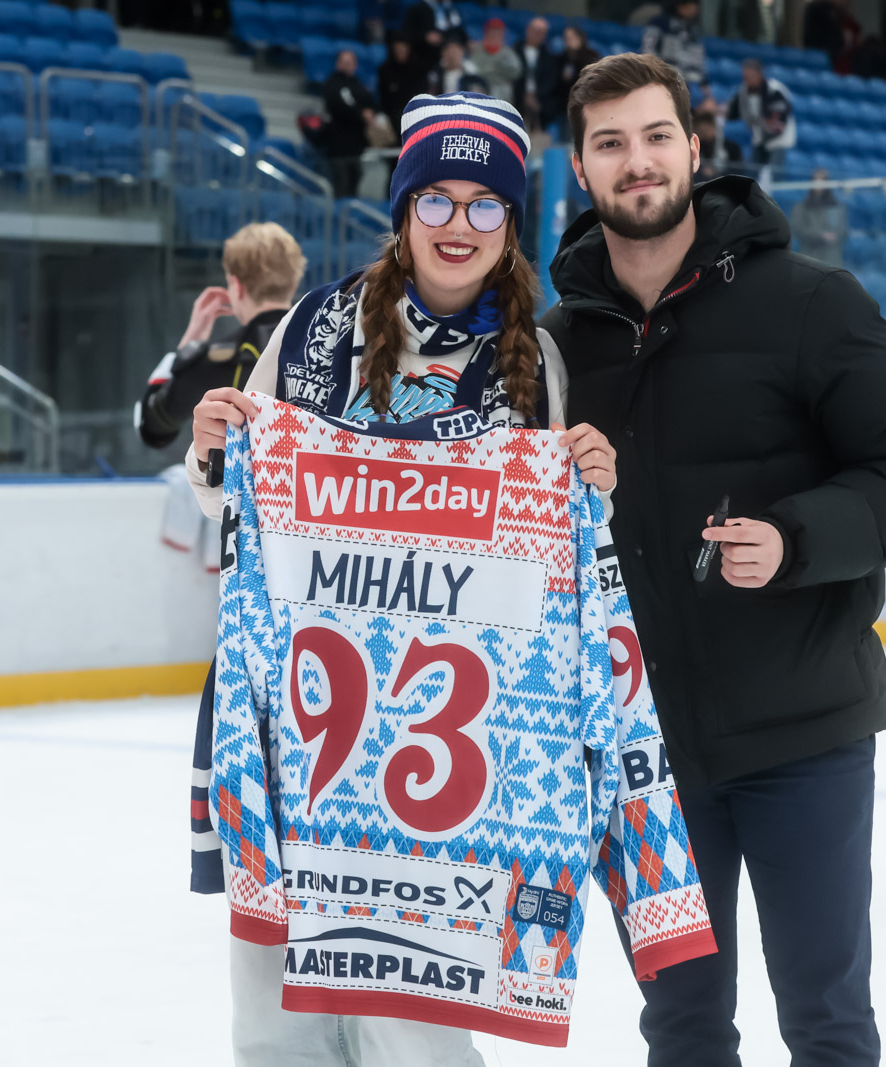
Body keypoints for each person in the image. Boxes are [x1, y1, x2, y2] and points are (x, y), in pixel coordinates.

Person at [183, 93, 618, 1067]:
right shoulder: (308, 330)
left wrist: (593, 490)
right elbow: (234, 502)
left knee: (409, 1015)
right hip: (296, 717)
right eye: (437, 199)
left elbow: (545, 560)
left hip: (439, 743)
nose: (459, 224)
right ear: (402, 208)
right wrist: (212, 450)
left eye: (485, 203)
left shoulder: (534, 361)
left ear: (511, 221)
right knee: (275, 1016)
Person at [546, 53, 886, 1066]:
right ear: (581, 169)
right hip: (641, 760)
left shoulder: (811, 300)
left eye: (655, 136)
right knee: (681, 1027)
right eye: (609, 144)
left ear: (693, 147)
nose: (636, 161)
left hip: (803, 735)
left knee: (826, 1018)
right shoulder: (550, 348)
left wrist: (795, 538)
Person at [135, 223, 305, 450]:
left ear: (236, 286)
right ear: (294, 283)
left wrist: (190, 343)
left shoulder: (220, 358)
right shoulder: (323, 346)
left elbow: (151, 427)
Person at [321, 49, 375, 198]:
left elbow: (370, 103)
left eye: (350, 62)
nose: (347, 65)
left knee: (354, 181)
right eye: (344, 62)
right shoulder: (332, 84)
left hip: (356, 145)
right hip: (337, 146)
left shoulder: (359, 85)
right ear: (337, 64)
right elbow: (338, 106)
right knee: (341, 183)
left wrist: (370, 113)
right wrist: (360, 114)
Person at [724, 57, 795, 168]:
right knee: (754, 171)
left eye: (751, 76)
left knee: (773, 172)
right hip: (759, 139)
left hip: (778, 140)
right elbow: (731, 112)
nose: (749, 80)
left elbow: (779, 119)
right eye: (746, 77)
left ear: (760, 73)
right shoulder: (743, 92)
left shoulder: (775, 89)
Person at [642, 0, 706, 92]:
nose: (693, 9)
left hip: (687, 80)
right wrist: (656, 73)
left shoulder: (693, 29)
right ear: (679, 6)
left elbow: (698, 60)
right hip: (663, 76)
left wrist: (705, 90)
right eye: (689, 6)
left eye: (695, 6)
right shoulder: (660, 23)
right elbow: (648, 49)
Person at [376, 30, 427, 144]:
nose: (401, 50)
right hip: (392, 116)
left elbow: (423, 96)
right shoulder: (384, 70)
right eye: (397, 47)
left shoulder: (419, 69)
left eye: (403, 47)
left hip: (415, 114)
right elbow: (383, 98)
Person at [789, 168, 846, 264]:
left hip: (831, 259)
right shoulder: (801, 207)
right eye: (816, 180)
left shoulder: (836, 208)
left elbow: (843, 231)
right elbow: (797, 229)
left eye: (823, 180)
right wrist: (820, 235)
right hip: (809, 257)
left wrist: (834, 235)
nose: (819, 184)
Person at [514, 16, 561, 131]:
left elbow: (551, 81)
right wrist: (524, 95)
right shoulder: (514, 51)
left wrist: (536, 97)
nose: (538, 35)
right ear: (528, 30)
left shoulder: (549, 57)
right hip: (516, 101)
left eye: (542, 32)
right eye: (536, 31)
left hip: (540, 105)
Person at [557, 24, 600, 138]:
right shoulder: (562, 58)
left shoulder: (591, 57)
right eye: (565, 38)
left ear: (579, 38)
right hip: (564, 106)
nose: (567, 42)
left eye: (570, 38)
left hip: (585, 105)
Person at [470, 17, 519, 107]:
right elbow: (471, 70)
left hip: (501, 95)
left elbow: (516, 72)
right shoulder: (476, 50)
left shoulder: (508, 53)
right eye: (492, 32)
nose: (494, 36)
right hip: (479, 93)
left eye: (498, 33)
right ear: (486, 33)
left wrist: (496, 67)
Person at [401, 0, 465, 68]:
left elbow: (459, 30)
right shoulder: (417, 9)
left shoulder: (451, 8)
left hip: (448, 53)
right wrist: (425, 36)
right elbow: (408, 33)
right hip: (424, 56)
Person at [692, 109, 740, 178]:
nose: (705, 135)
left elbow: (737, 171)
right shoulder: (696, 147)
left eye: (706, 131)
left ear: (714, 128)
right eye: (701, 132)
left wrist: (715, 172)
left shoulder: (732, 147)